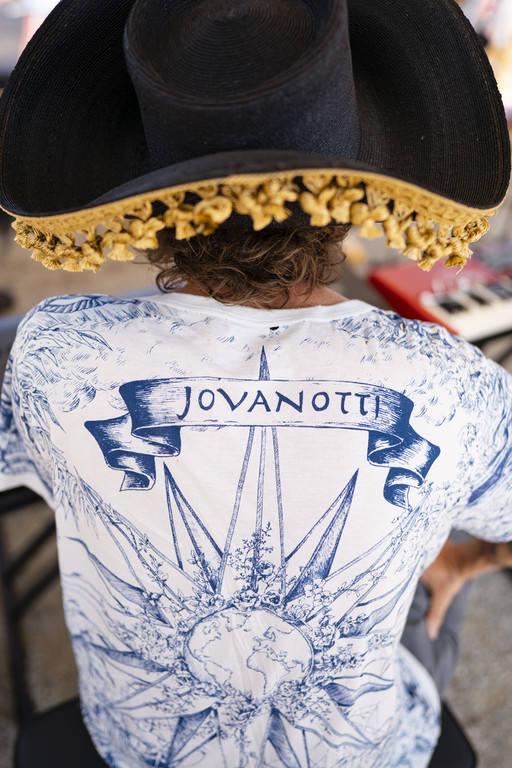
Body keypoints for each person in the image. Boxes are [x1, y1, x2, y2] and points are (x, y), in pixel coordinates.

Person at [0, 1, 511, 767]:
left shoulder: (56, 350)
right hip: (368, 754)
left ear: (147, 193)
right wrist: (458, 561)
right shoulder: (453, 383)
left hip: (134, 745)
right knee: (440, 543)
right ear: (353, 188)